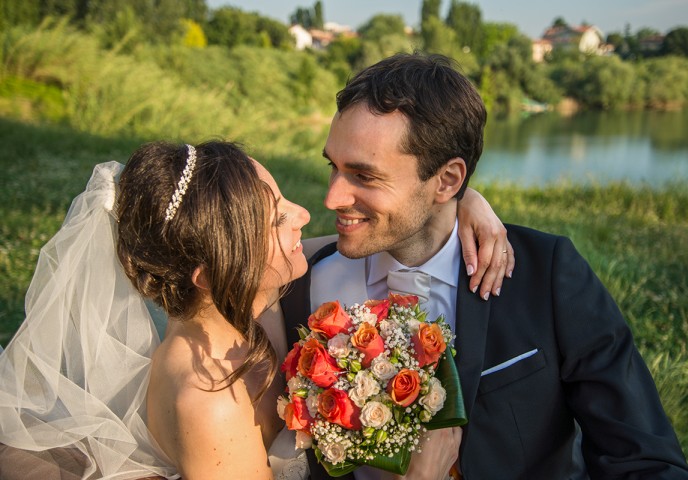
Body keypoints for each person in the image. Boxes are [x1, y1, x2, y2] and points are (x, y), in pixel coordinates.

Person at [279, 53, 688, 479]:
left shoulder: (546, 275)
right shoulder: (304, 285)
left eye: (364, 176)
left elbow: (642, 456)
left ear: (447, 181)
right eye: (333, 166)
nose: (331, 199)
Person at [0, 140, 511, 480]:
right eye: (275, 220)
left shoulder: (238, 313)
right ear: (213, 270)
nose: (305, 215)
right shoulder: (211, 401)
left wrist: (459, 201)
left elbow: (371, 231)